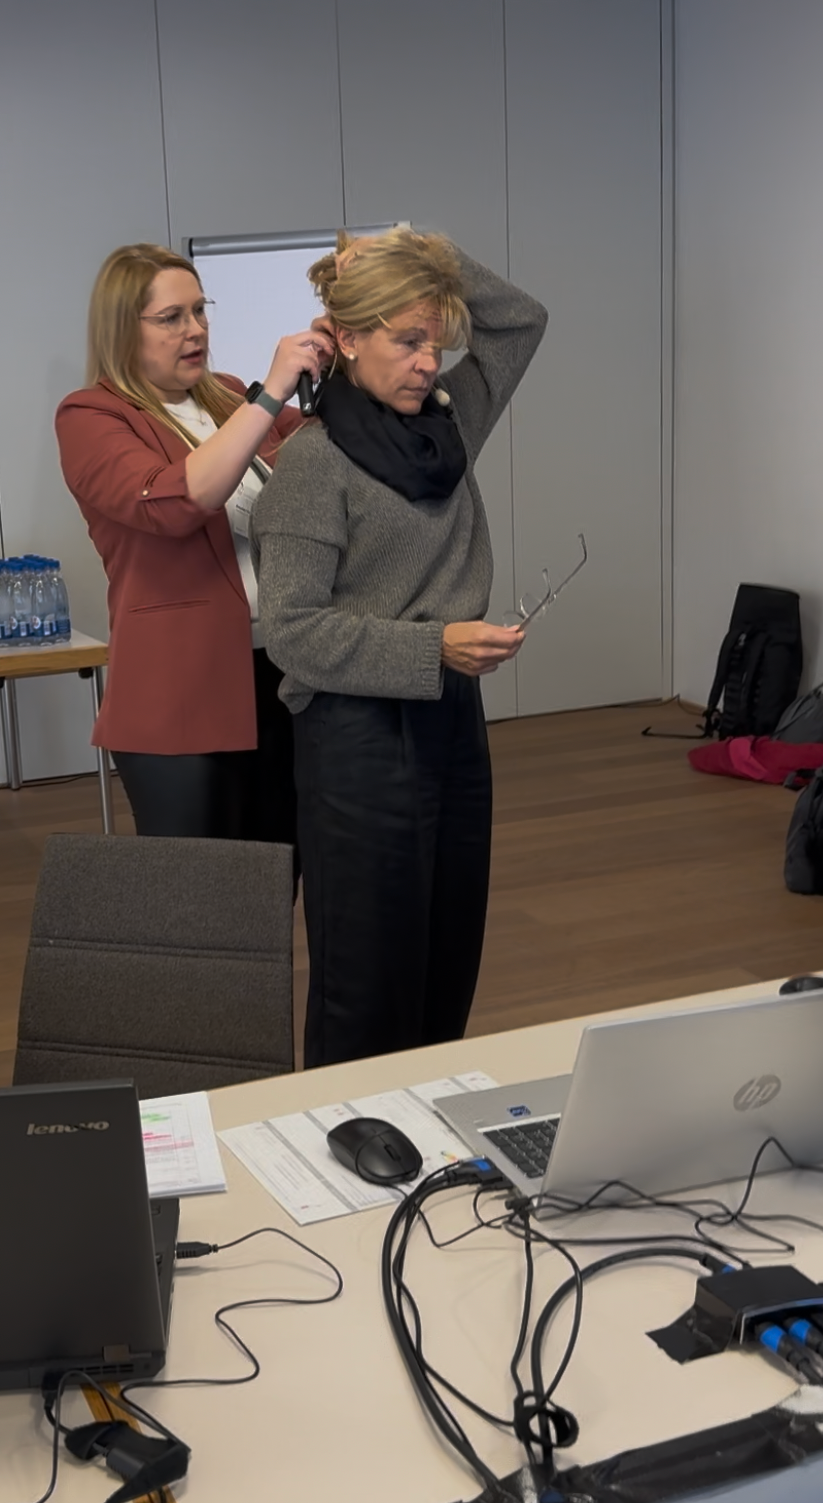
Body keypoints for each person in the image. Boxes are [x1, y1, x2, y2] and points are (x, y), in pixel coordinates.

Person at [250, 230, 548, 1068]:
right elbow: (293, 631)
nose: (426, 364)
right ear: (347, 339)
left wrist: (432, 250)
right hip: (356, 736)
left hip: (451, 721)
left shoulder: (448, 426)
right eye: (407, 341)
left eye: (436, 344)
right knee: (367, 979)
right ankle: (347, 1129)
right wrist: (432, 648)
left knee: (449, 951)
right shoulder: (313, 466)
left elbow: (520, 321)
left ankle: (426, 1115)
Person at [55, 243, 332, 845]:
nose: (195, 330)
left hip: (279, 672)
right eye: (171, 318)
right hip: (178, 692)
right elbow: (179, 500)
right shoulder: (91, 416)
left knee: (274, 872)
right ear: (122, 328)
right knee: (196, 885)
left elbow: (322, 448)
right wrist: (270, 395)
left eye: (200, 311)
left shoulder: (226, 395)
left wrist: (339, 363)